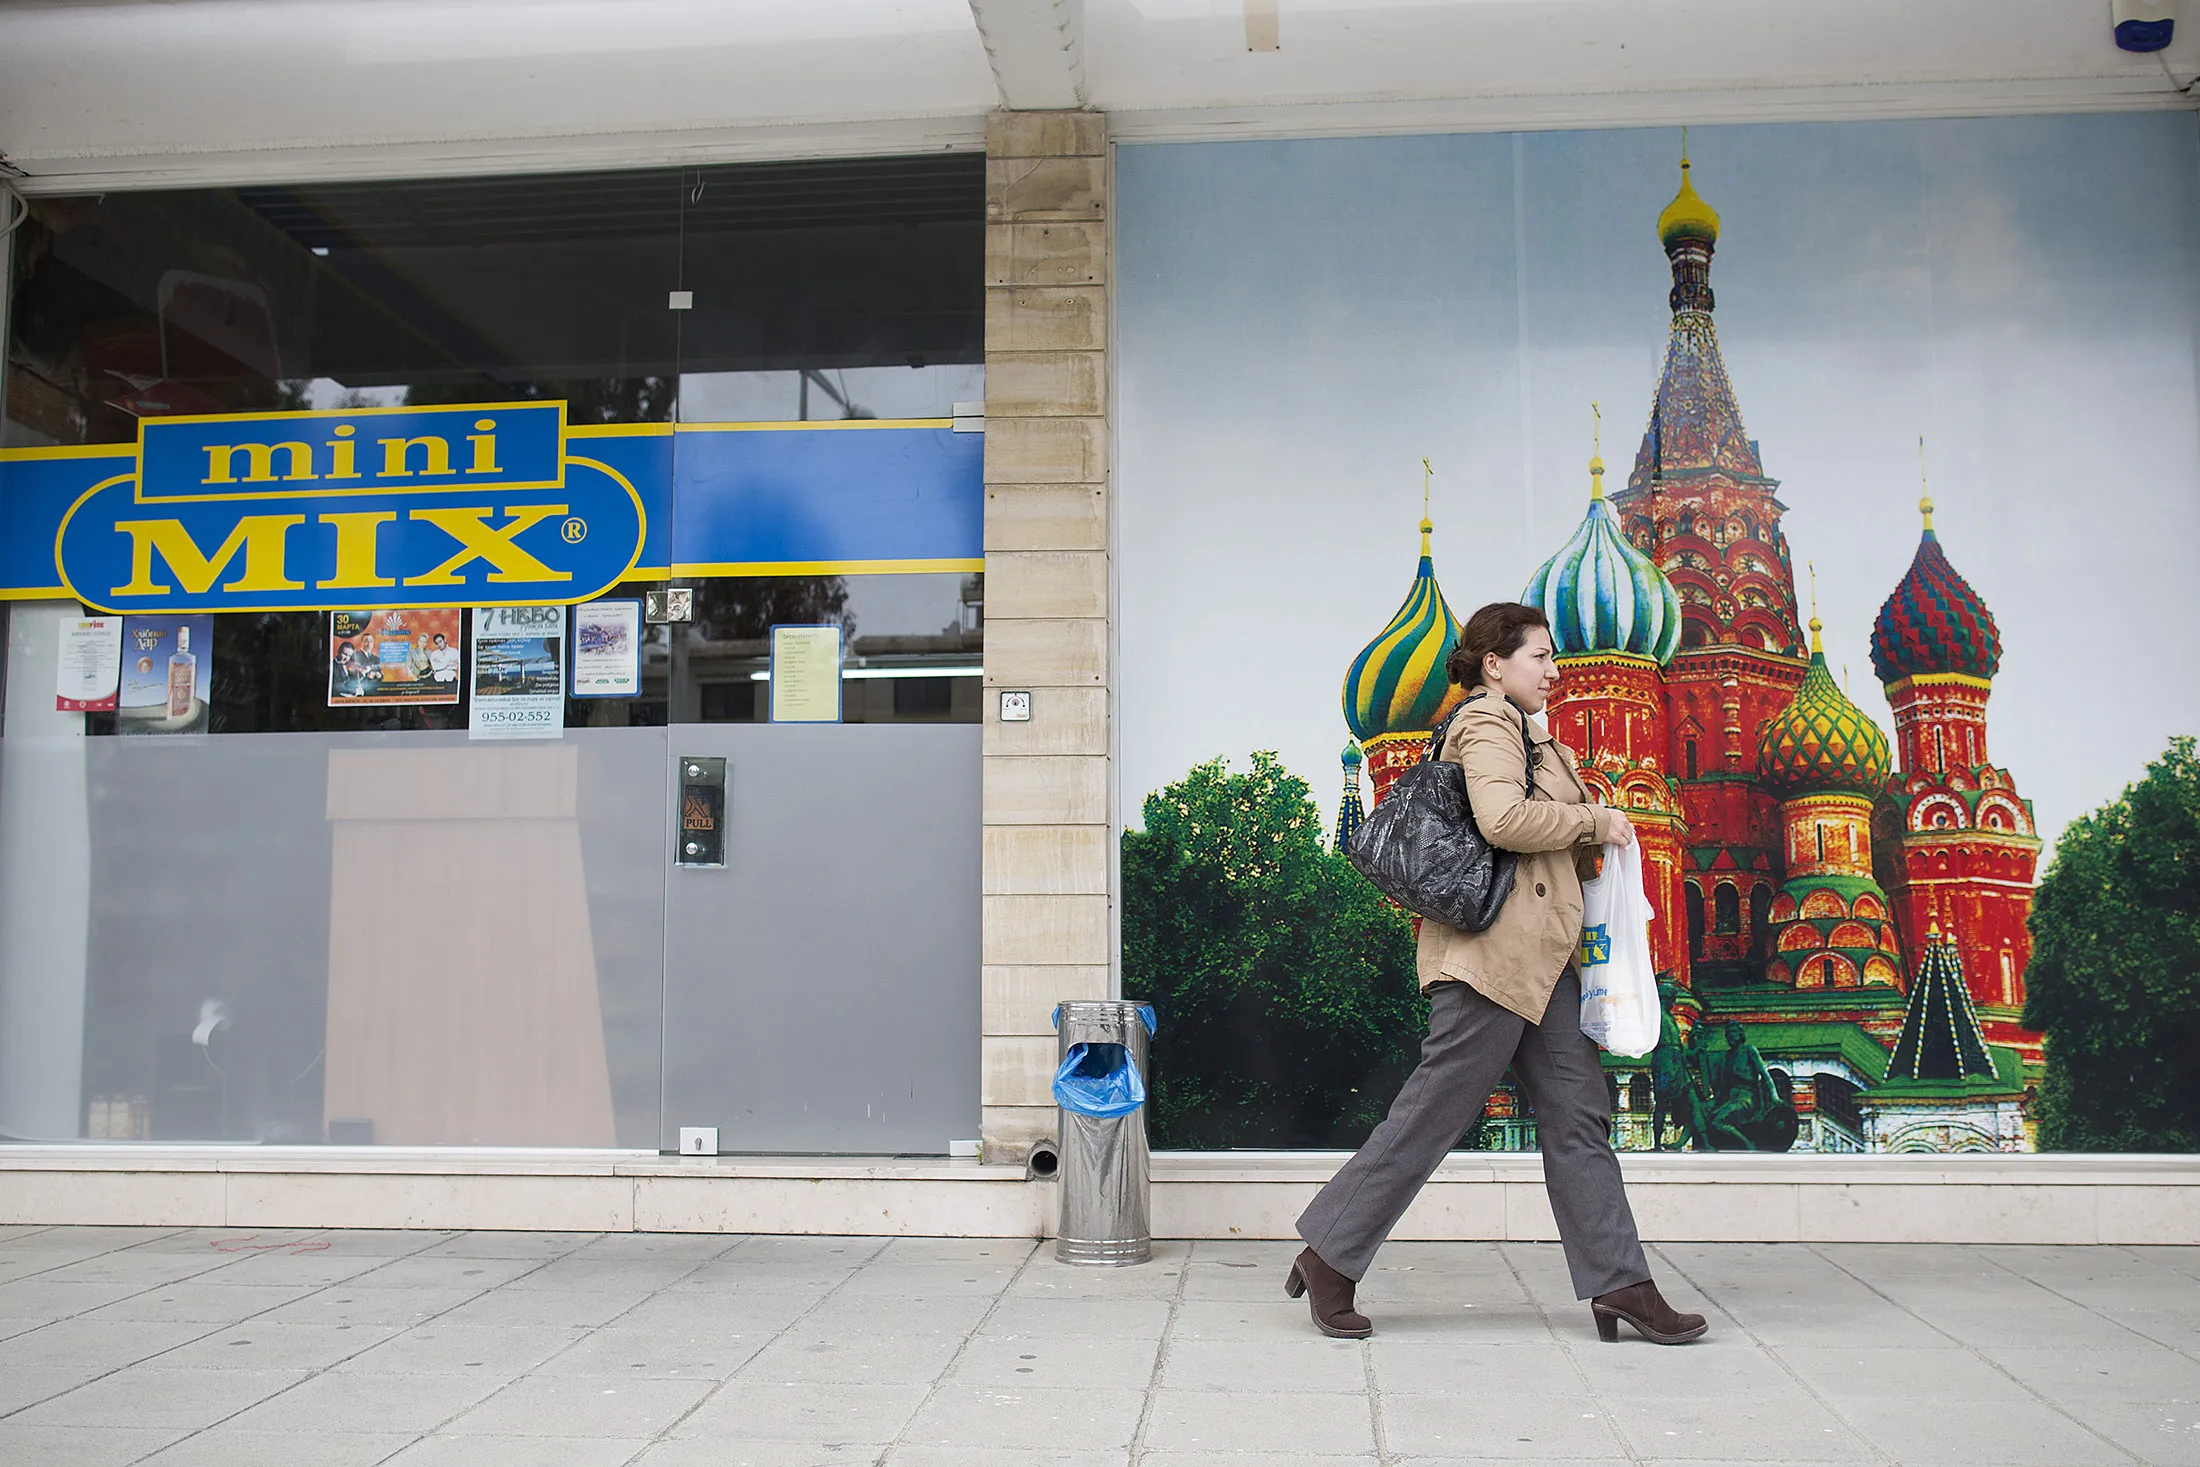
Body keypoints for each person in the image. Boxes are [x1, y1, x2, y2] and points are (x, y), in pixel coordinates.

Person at [1290, 602, 1708, 1346]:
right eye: (1538, 656)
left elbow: (1537, 844)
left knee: (1580, 1118)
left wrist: (1595, 845)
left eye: (1552, 657)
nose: (1553, 669)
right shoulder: (1487, 722)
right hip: (1490, 961)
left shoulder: (1535, 735)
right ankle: (1329, 1256)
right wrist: (1594, 821)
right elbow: (1502, 822)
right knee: (1431, 1116)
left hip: (1542, 963)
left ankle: (1622, 1284)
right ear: (1494, 663)